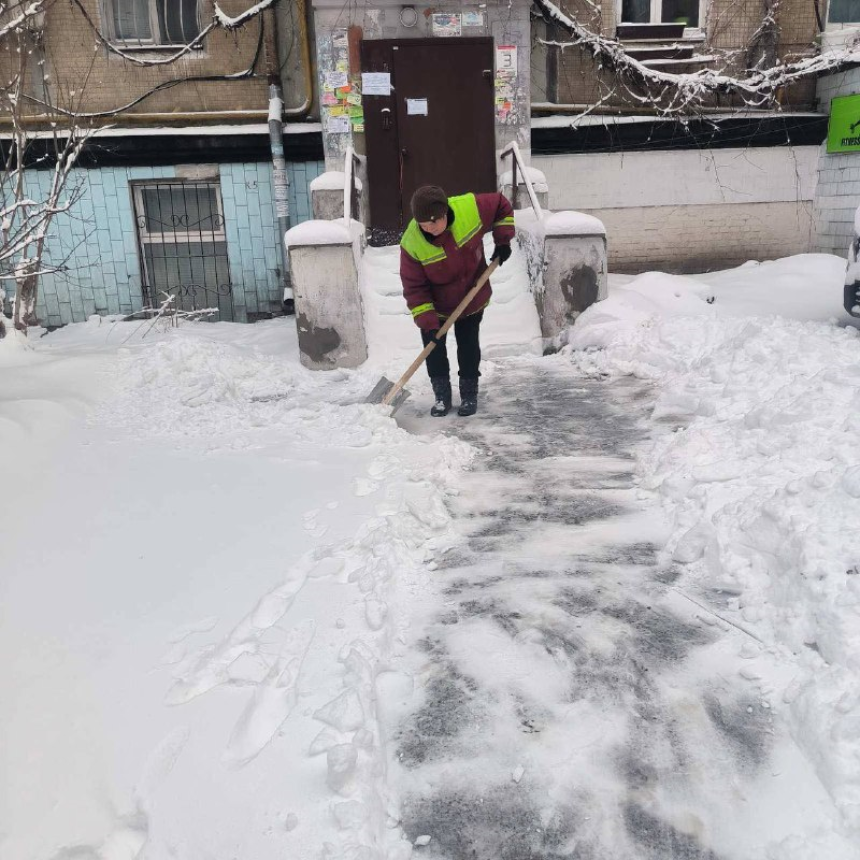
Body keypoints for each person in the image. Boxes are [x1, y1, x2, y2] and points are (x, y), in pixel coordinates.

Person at [400, 185, 514, 417]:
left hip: (471, 295)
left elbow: (501, 205)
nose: (429, 229)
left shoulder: (469, 209)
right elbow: (414, 287)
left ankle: (469, 395)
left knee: (468, 345)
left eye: (433, 223)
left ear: (444, 213)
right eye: (423, 224)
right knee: (433, 349)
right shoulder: (411, 243)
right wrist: (428, 322)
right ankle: (442, 397)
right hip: (435, 306)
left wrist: (503, 241)